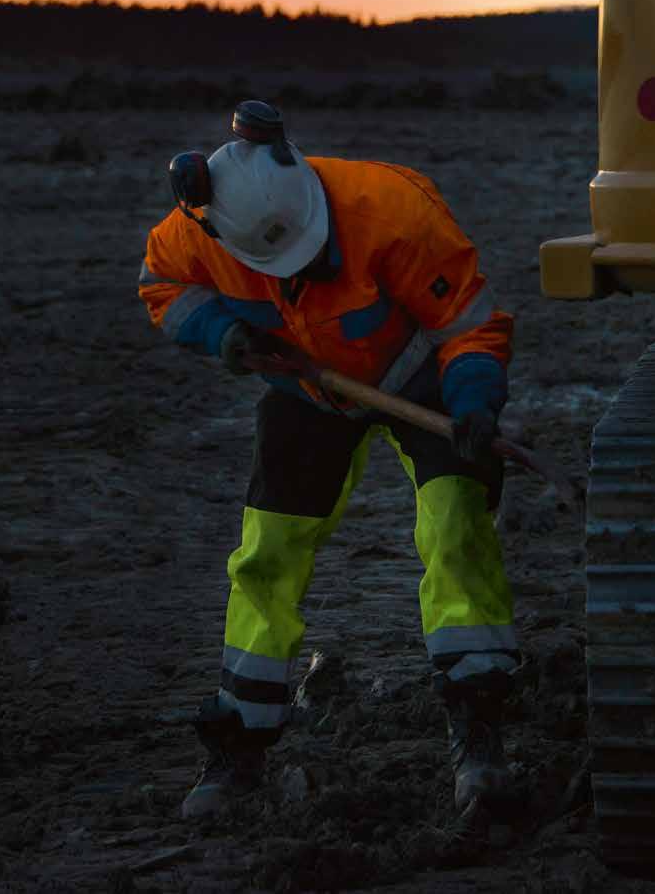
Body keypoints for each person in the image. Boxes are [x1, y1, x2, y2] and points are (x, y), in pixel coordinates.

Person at [138, 100, 520, 825]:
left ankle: (479, 728)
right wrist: (221, 331)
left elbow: (468, 322)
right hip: (304, 387)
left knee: (455, 528)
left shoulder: (392, 209)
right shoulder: (194, 228)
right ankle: (241, 742)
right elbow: (162, 287)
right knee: (267, 554)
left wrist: (473, 400)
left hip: (422, 377)